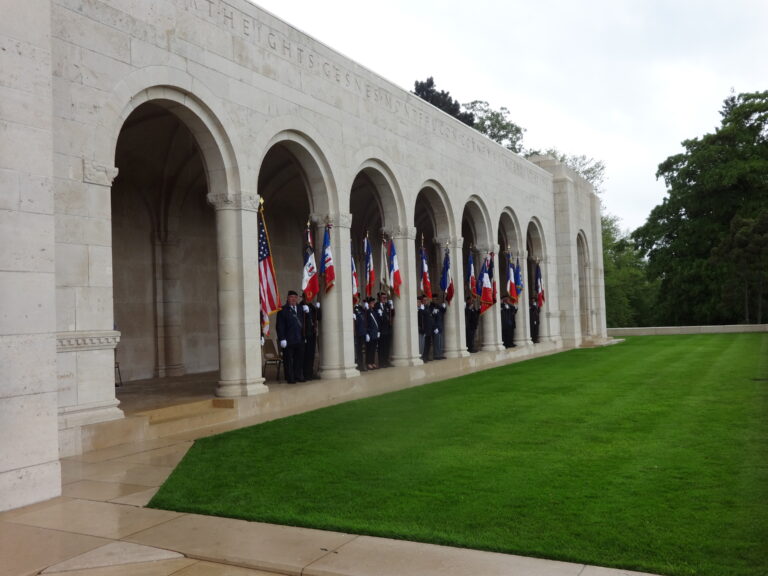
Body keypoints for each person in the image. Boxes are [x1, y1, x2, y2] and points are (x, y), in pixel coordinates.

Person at [276, 290, 305, 383]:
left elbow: (304, 323)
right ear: (288, 298)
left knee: (299, 359)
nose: (293, 299)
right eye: (291, 297)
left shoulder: (300, 308)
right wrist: (282, 338)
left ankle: (298, 376)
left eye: (295, 297)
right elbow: (280, 326)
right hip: (288, 339)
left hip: (299, 338)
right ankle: (290, 378)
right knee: (288, 360)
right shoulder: (282, 310)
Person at [300, 293, 321, 380]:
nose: (309, 299)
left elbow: (319, 318)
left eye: (311, 298)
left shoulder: (312, 307)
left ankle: (310, 373)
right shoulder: (300, 306)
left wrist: (318, 309)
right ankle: (304, 374)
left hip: (312, 334)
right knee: (304, 355)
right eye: (308, 298)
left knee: (311, 355)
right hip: (304, 334)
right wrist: (304, 312)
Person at [374, 291, 395, 367]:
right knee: (381, 347)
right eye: (383, 298)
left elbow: (392, 315)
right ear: (380, 298)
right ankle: (381, 362)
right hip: (381, 330)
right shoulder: (377, 305)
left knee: (387, 346)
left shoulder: (387, 306)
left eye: (386, 298)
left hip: (387, 329)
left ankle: (386, 361)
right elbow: (376, 316)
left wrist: (392, 307)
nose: (385, 299)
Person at [364, 296, 380, 370]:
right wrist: (367, 333)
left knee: (373, 349)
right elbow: (366, 323)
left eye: (373, 302)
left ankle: (373, 362)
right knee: (369, 349)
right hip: (370, 333)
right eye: (372, 303)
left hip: (374, 332)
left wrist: (378, 331)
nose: (373, 304)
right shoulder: (367, 312)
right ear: (369, 304)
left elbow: (377, 322)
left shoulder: (374, 311)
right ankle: (368, 363)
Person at [429, 294, 446, 360]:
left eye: (436, 299)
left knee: (440, 341)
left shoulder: (438, 306)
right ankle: (436, 355)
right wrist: (434, 328)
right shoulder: (431, 307)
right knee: (436, 341)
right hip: (435, 327)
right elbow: (430, 318)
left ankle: (440, 354)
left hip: (440, 326)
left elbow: (443, 311)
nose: (435, 300)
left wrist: (444, 306)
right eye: (434, 299)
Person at [417, 294, 434, 362]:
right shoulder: (420, 308)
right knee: (423, 345)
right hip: (424, 329)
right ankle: (423, 357)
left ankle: (426, 356)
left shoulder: (427, 307)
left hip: (429, 329)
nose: (426, 301)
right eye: (424, 300)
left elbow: (430, 316)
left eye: (426, 300)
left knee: (428, 344)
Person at [353, 301, 366, 372]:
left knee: (360, 350)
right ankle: (358, 365)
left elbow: (364, 320)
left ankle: (361, 365)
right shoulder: (353, 309)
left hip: (361, 332)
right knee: (357, 351)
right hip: (356, 333)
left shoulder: (360, 309)